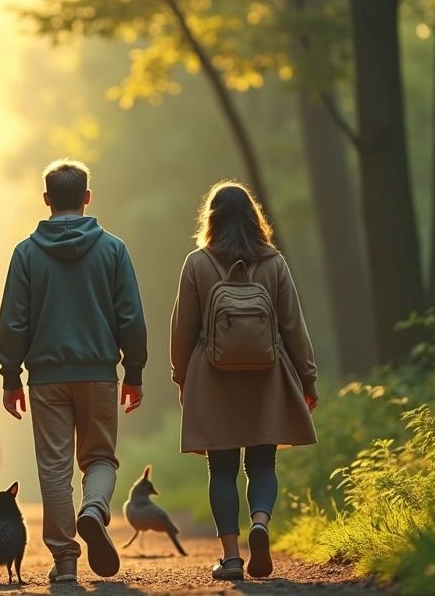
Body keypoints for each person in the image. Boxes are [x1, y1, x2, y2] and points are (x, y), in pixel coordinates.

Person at [0, 159, 147, 583]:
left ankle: (65, 560)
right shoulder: (113, 249)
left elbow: (13, 321)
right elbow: (130, 316)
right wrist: (134, 372)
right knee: (99, 458)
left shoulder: (26, 253)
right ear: (87, 197)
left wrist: (11, 377)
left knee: (54, 468)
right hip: (99, 373)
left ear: (46, 199)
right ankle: (94, 510)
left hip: (46, 379)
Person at [168, 180, 318, 581]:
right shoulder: (274, 263)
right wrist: (307, 379)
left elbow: (182, 330)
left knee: (221, 468)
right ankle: (261, 523)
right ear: (254, 218)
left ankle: (232, 559)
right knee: (262, 462)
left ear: (212, 220)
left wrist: (182, 378)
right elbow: (293, 326)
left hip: (212, 378)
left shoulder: (197, 263)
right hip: (266, 378)